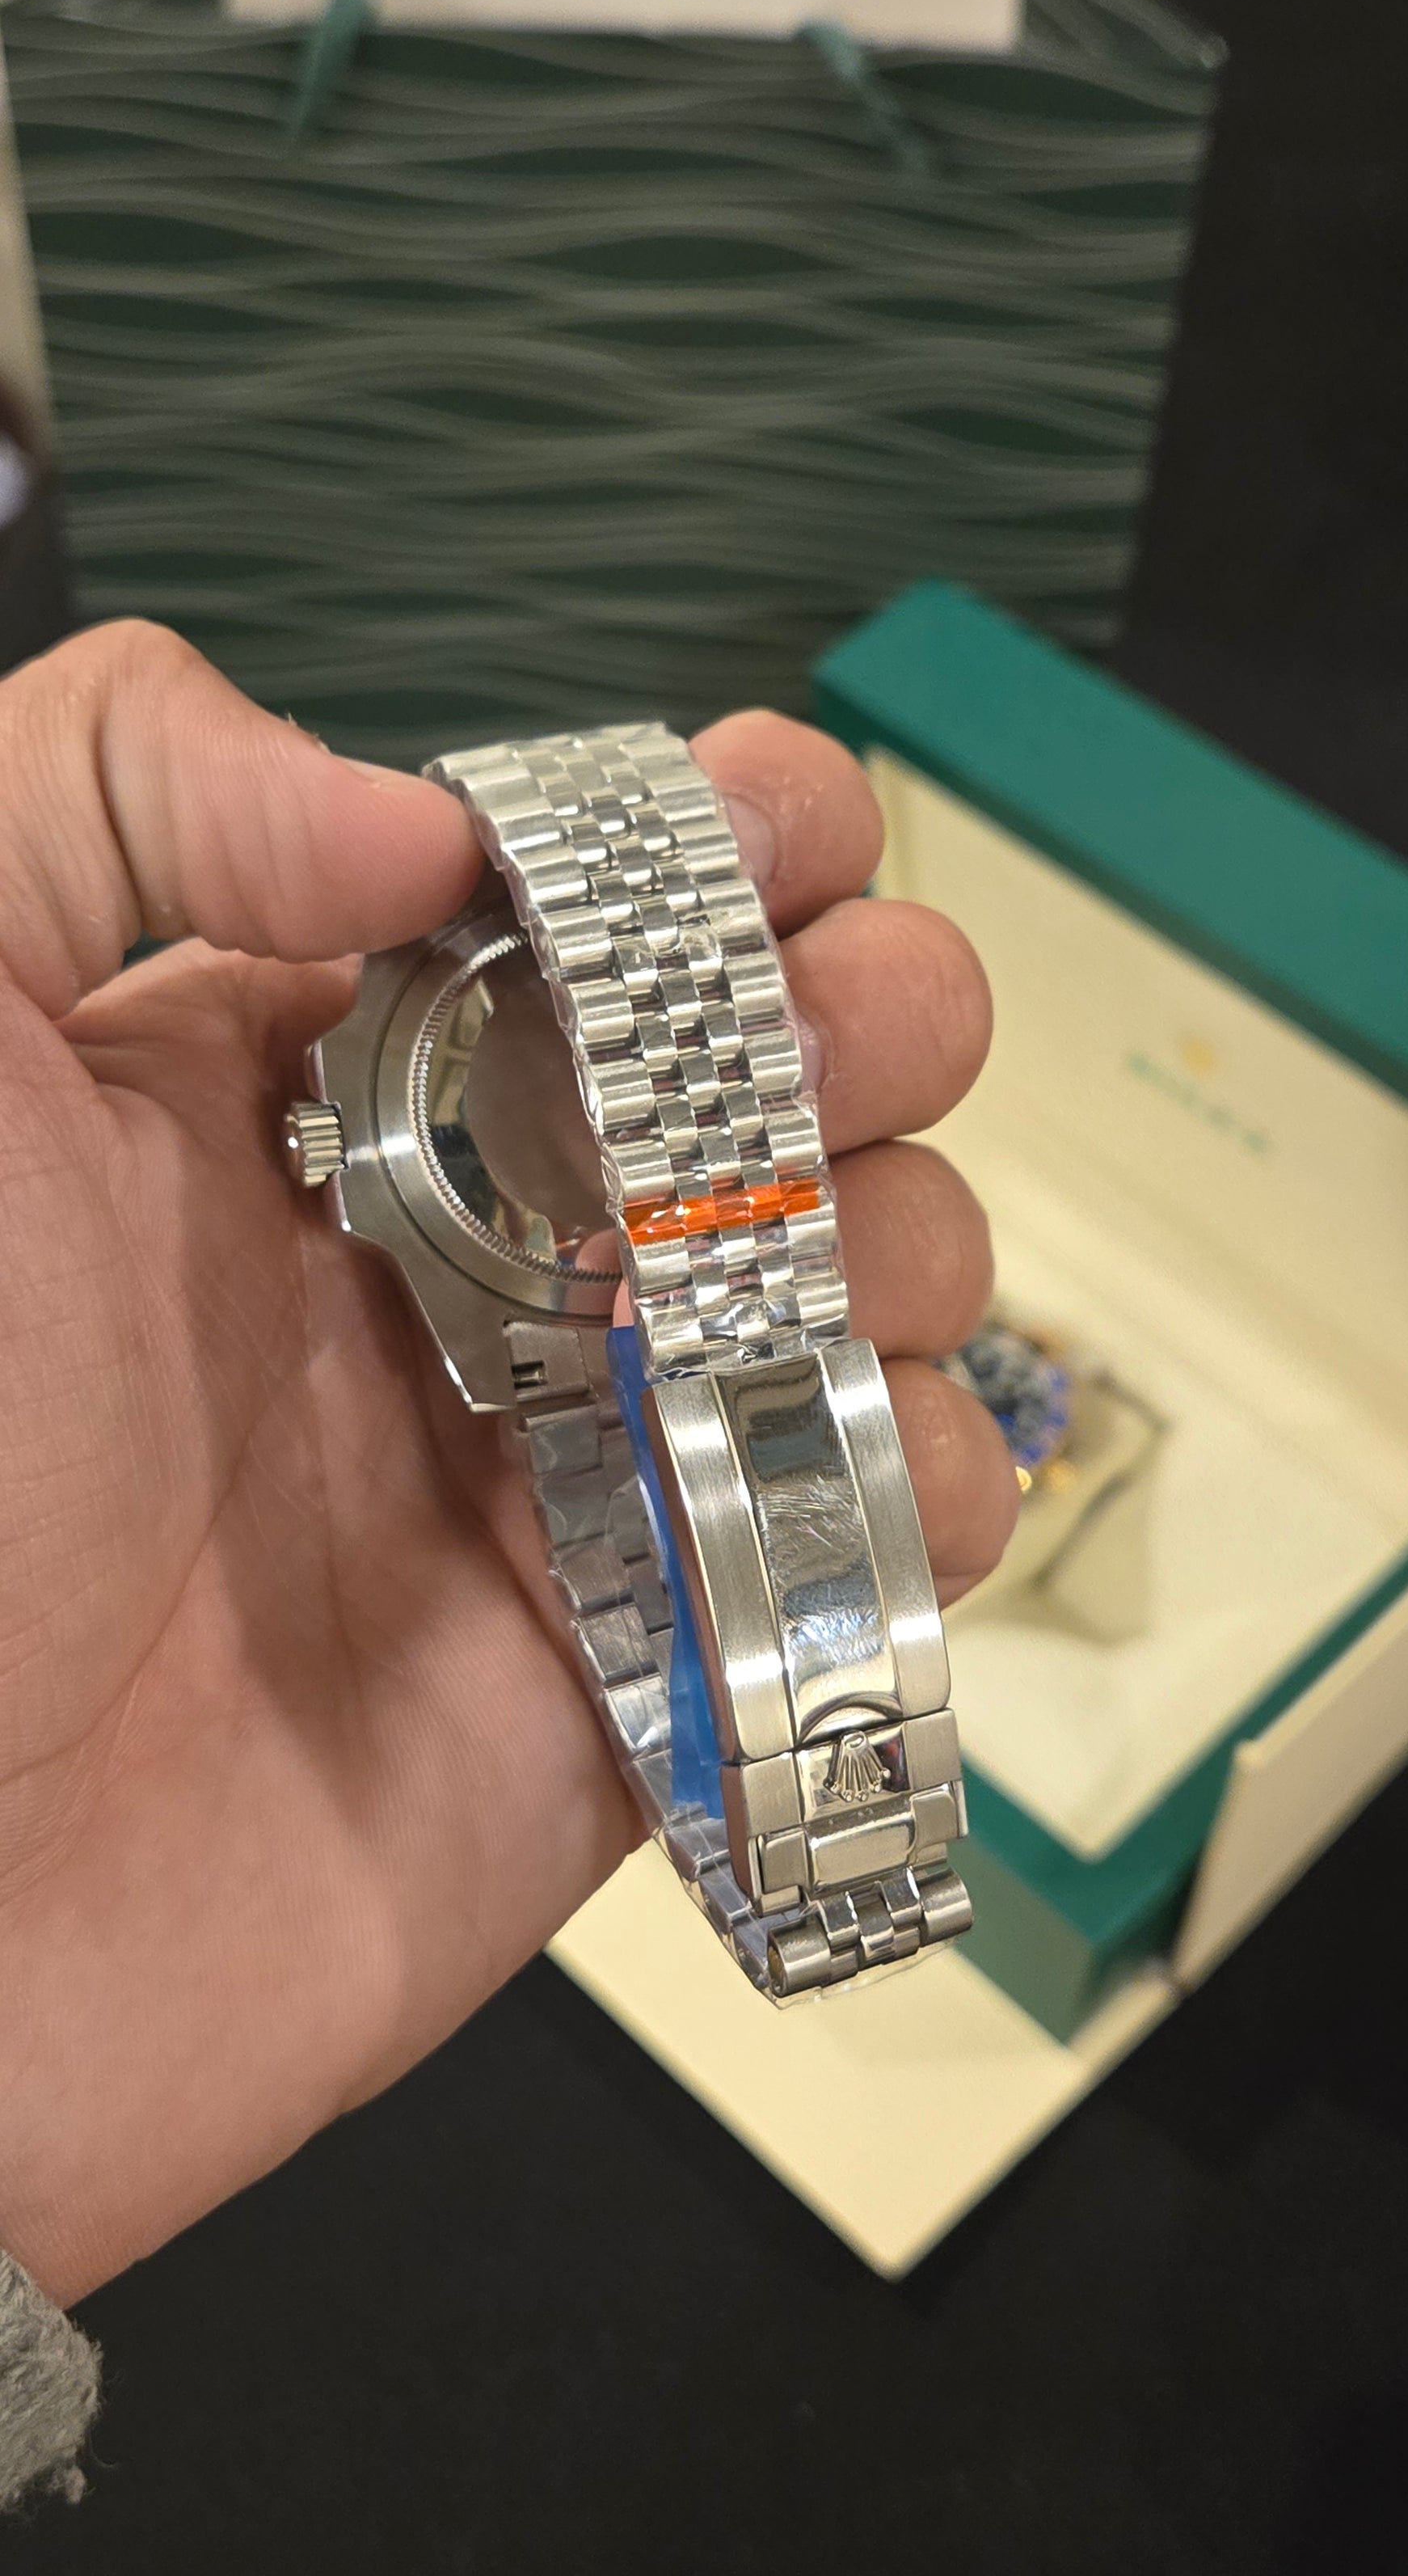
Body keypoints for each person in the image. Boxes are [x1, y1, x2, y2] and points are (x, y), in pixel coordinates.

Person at [0, 619, 1018, 2505]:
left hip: (568, 1345)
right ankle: (831, 1867)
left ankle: (836, 1862)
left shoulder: (442, 1044)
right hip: (516, 1349)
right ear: (341, 1141)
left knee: (822, 1125)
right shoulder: (356, 1153)